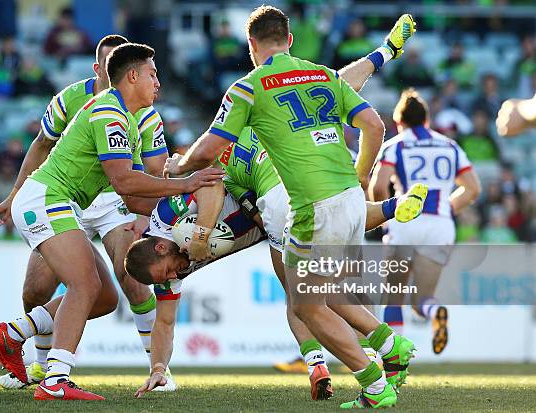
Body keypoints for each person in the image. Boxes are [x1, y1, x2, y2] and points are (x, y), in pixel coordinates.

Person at [163, 7, 418, 408]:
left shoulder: (249, 89)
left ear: (251, 46)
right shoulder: (322, 75)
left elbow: (208, 152)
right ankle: (388, 347)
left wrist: (178, 166)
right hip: (351, 200)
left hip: (309, 208)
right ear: (291, 40)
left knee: (304, 305)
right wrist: (361, 178)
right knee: (323, 292)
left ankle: (374, 375)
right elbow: (374, 125)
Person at [0, 42, 224, 400]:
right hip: (47, 200)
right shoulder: (109, 114)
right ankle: (55, 380)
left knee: (106, 296)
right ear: (131, 76)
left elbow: (130, 196)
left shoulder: (127, 117)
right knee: (80, 286)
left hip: (61, 203)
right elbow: (124, 181)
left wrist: (177, 202)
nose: (158, 82)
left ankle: (15, 332)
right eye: (152, 74)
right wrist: (185, 183)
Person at [130, 127, 427, 400]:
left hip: (263, 206)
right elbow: (165, 323)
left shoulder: (168, 215)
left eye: (169, 269)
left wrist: (201, 235)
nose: (177, 273)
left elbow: (211, 185)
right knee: (306, 289)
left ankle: (366, 358)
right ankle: (391, 208)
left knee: (308, 295)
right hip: (266, 216)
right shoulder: (164, 270)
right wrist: (158, 366)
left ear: (160, 246)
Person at [369, 88, 482, 355]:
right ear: (427, 120)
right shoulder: (449, 145)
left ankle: (394, 357)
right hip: (440, 225)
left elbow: (378, 186)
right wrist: (447, 208)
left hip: (405, 223)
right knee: (422, 300)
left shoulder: (396, 144)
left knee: (394, 294)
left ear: (400, 122)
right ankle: (435, 312)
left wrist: (387, 218)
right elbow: (473, 189)